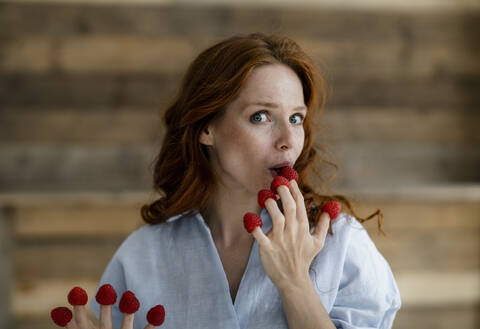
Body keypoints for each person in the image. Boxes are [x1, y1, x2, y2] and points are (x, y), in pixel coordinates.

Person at [55, 32, 401, 329]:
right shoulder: (143, 255)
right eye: (261, 116)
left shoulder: (341, 244)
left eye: (296, 118)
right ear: (207, 128)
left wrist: (295, 282)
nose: (287, 139)